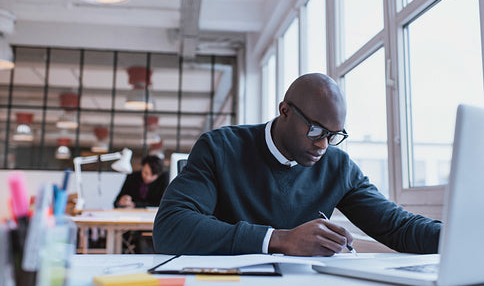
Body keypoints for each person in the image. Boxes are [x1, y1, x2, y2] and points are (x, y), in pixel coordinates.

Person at [153, 73, 441, 256]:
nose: (323, 145)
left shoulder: (337, 166)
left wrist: (464, 237)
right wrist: (279, 239)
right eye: (315, 130)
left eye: (333, 135)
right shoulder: (220, 148)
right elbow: (170, 227)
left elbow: (398, 227)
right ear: (285, 111)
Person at [114, 155, 169, 253]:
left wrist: (135, 205)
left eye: (152, 176)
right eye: (145, 172)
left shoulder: (164, 178)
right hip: (131, 223)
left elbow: (160, 203)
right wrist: (121, 201)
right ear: (142, 167)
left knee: (145, 240)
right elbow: (116, 202)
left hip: (153, 223)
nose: (147, 177)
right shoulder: (132, 177)